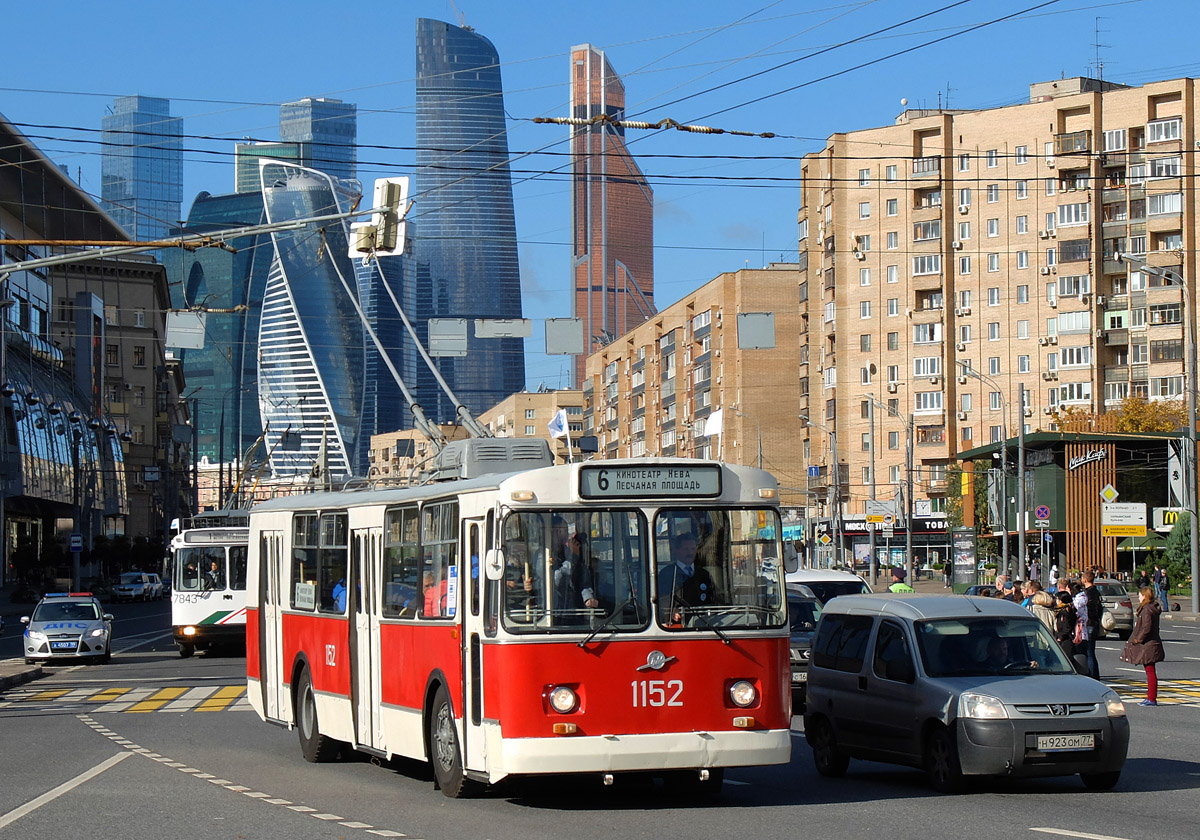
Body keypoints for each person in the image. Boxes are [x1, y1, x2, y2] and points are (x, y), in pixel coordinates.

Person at [657, 532, 719, 621]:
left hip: (704, 624)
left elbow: (712, 598)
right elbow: (661, 598)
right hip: (678, 625)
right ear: (677, 550)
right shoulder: (667, 574)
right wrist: (671, 611)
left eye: (692, 549)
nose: (690, 552)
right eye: (686, 549)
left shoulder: (703, 574)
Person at [1121, 586, 1166, 706]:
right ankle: (1151, 697)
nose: (1139, 597)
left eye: (1140, 595)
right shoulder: (1152, 608)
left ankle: (1151, 698)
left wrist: (1137, 639)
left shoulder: (1147, 610)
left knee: (1150, 671)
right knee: (1150, 670)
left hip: (1148, 645)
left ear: (1145, 596)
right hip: (1152, 643)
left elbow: (1146, 628)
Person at [1079, 571, 1102, 679]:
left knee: (1088, 652)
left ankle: (1093, 676)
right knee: (1091, 651)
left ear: (1085, 579)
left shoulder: (1087, 593)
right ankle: (1095, 675)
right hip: (1094, 622)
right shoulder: (1096, 592)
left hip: (1088, 623)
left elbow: (1085, 608)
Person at [1054, 589, 1077, 660]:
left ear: (1061, 600)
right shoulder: (1062, 610)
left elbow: (1067, 626)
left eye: (1057, 599)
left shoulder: (1065, 611)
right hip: (1063, 637)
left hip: (1065, 639)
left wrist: (1060, 637)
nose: (1056, 601)